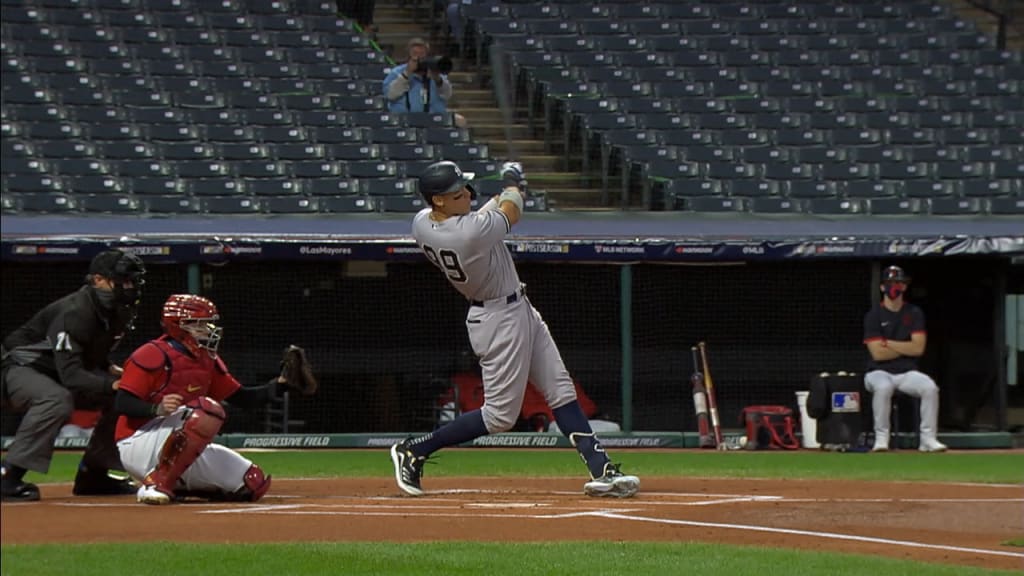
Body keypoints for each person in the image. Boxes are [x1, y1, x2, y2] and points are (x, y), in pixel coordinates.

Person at [391, 160, 640, 498]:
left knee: (561, 390)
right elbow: (512, 209)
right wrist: (512, 181)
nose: (466, 193)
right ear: (438, 200)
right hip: (497, 319)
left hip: (517, 308)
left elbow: (481, 211)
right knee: (499, 417)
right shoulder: (467, 233)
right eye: (457, 191)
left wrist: (496, 194)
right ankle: (416, 449)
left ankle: (602, 469)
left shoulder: (422, 222)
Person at [114, 294, 291, 505]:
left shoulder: (206, 358)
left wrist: (281, 385)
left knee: (251, 483)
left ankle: (175, 485)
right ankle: (154, 483)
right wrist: (156, 409)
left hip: (176, 443)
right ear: (180, 326)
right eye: (200, 324)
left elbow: (242, 398)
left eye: (209, 323)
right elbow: (122, 403)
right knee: (206, 411)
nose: (208, 329)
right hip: (138, 440)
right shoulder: (151, 354)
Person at [1, 249, 146, 501]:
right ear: (98, 279)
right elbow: (71, 375)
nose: (129, 286)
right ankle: (9, 478)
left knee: (123, 397)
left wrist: (111, 371)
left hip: (50, 370)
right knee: (55, 399)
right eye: (122, 280)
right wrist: (111, 383)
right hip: (15, 367)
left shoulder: (117, 309)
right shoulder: (75, 311)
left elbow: (85, 353)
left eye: (132, 280)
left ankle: (94, 475)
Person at [862, 265, 947, 453]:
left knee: (929, 387)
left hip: (907, 372)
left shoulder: (914, 313)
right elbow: (878, 353)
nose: (895, 287)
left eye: (898, 283)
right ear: (882, 287)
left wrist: (888, 343)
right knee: (884, 388)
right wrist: (904, 346)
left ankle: (928, 439)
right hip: (877, 372)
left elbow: (918, 348)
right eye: (890, 283)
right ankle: (881, 439)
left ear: (905, 287)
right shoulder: (874, 315)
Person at [382, 37, 467, 127]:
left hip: (435, 120)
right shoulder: (396, 72)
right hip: (405, 121)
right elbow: (390, 95)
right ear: (408, 56)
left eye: (422, 54)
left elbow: (447, 94)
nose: (419, 57)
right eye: (415, 54)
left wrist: (437, 79)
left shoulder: (436, 72)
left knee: (460, 121)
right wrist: (406, 74)